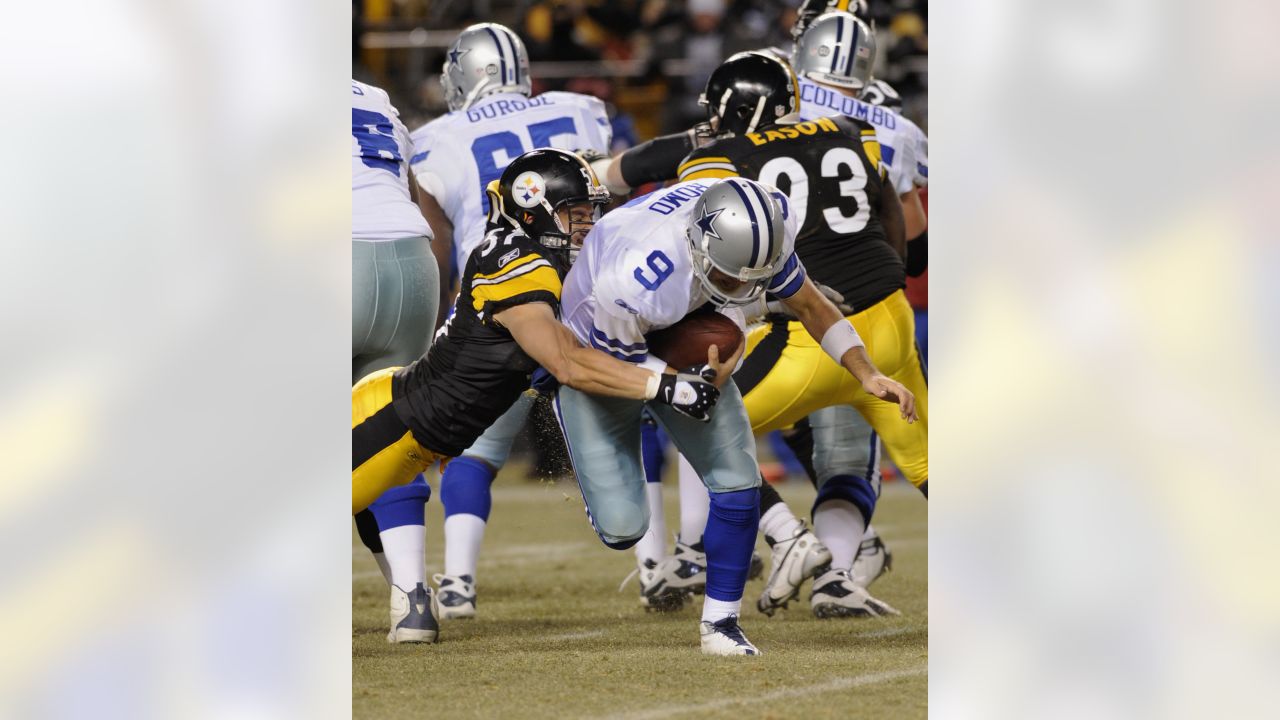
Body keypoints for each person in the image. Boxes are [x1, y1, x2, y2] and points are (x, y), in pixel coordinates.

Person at [352, 150, 724, 643]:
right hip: (391, 421)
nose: (587, 225)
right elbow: (566, 362)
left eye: (590, 213)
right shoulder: (513, 257)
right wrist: (667, 384)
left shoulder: (548, 262)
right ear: (534, 208)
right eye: (576, 213)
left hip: (419, 434)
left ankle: (413, 605)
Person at [552, 175, 916, 655]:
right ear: (700, 248)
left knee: (738, 483)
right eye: (731, 278)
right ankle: (563, 409)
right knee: (622, 528)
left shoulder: (764, 222)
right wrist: (683, 384)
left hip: (678, 322)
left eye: (753, 277)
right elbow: (616, 364)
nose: (742, 284)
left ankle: (720, 625)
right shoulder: (635, 279)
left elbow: (809, 301)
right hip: (600, 352)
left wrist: (865, 372)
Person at [675, 48, 928, 618]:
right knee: (931, 465)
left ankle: (783, 537)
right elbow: (894, 222)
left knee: (692, 416)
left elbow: (715, 253)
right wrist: (880, 278)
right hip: (890, 320)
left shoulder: (717, 160)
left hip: (810, 336)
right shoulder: (853, 131)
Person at [406, 23, 614, 619]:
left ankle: (459, 582)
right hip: (596, 285)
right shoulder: (581, 109)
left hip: (506, 292)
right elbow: (610, 192)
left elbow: (438, 245)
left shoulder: (435, 139)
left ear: (465, 76)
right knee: (649, 417)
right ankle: (665, 565)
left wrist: (449, 317)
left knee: (477, 443)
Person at [350, 79, 441, 643]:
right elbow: (404, 183)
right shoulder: (372, 95)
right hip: (413, 259)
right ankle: (411, 599)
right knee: (385, 435)